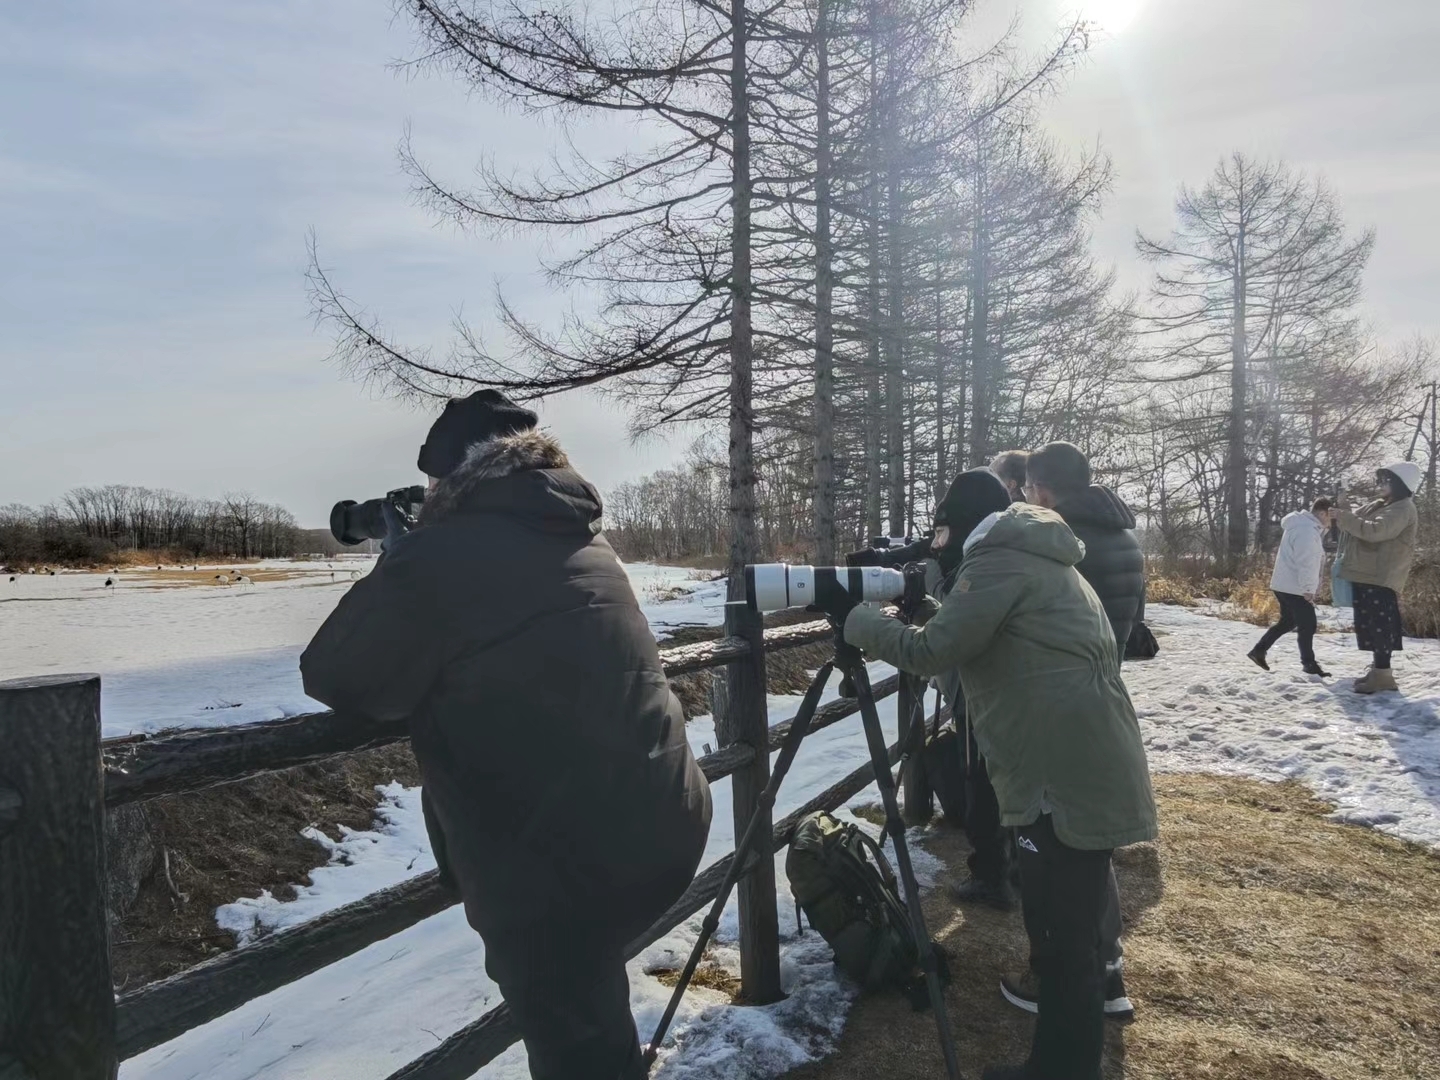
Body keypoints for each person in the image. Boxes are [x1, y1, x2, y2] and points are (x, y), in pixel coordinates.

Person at [300, 390, 712, 1080]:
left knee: (578, 1051)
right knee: (589, 1014)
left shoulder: (443, 557)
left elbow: (339, 674)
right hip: (662, 824)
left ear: (450, 480)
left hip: (561, 868)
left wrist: (400, 557)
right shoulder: (578, 534)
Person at [815, 487, 1157, 1080]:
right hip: (1078, 763)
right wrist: (922, 607)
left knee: (1061, 940)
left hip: (1059, 775)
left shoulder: (998, 561)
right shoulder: (1032, 557)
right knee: (1070, 933)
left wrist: (855, 619)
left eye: (940, 533)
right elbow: (975, 633)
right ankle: (1064, 1064)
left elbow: (931, 653)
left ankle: (1061, 1071)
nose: (932, 546)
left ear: (967, 530)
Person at [1019, 441, 1143, 1020]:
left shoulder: (1063, 543)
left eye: (1028, 491)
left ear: (1042, 489)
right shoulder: (1122, 533)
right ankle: (1106, 967)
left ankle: (1077, 979)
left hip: (1063, 705)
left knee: (1066, 853)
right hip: (1104, 693)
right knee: (1090, 848)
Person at [1336, 461, 1422, 694]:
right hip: (1368, 573)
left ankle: (1384, 676)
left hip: (1381, 575)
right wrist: (1343, 506)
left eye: (1387, 481)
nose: (1380, 485)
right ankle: (1378, 671)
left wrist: (1345, 517)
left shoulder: (1403, 508)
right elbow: (1354, 519)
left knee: (1381, 625)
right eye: (1380, 480)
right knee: (1370, 624)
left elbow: (1376, 531)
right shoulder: (1382, 504)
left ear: (1401, 484)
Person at [1248, 498, 1335, 677]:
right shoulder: (1307, 531)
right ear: (1322, 513)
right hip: (1295, 587)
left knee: (1288, 621)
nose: (1331, 523)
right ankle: (1309, 665)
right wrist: (1308, 589)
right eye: (1330, 517)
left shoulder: (1300, 526)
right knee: (1308, 624)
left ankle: (1259, 651)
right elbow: (1307, 562)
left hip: (1285, 584)